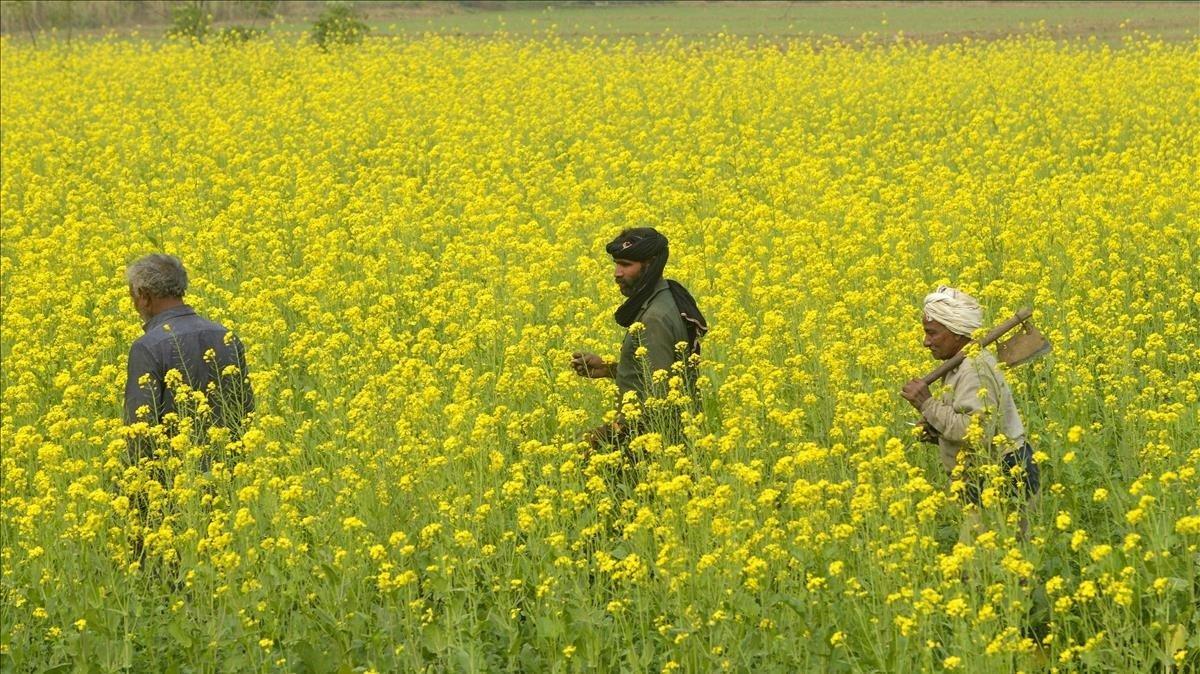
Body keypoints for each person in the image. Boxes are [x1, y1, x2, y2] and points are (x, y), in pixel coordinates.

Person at [900, 286, 1039, 513]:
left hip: (1005, 474)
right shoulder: (959, 364)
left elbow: (977, 432)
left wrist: (927, 404)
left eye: (932, 332)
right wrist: (935, 428)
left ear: (956, 332)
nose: (926, 342)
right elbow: (968, 421)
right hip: (984, 473)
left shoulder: (974, 368)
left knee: (999, 546)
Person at [571, 228, 706, 452]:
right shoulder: (665, 296)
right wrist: (608, 369)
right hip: (658, 437)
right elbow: (659, 372)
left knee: (576, 450)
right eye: (616, 264)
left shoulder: (654, 319)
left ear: (650, 265)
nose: (617, 273)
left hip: (650, 446)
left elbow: (657, 399)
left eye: (625, 265)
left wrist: (606, 436)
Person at [124, 253, 253, 465]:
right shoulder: (225, 336)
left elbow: (140, 431)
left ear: (144, 296)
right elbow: (244, 410)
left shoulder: (147, 347)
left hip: (174, 480)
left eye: (133, 298)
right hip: (230, 473)